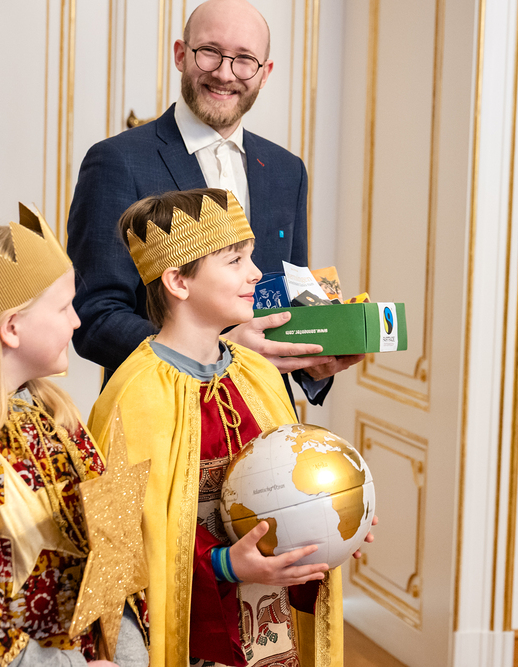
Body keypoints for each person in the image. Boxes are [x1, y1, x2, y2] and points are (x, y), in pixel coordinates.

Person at [88, 189, 370, 667]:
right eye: (235, 260)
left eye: (251, 256)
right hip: (196, 631)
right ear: (178, 281)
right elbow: (124, 542)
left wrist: (336, 518)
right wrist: (223, 564)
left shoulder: (256, 371)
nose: (256, 273)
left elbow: (287, 480)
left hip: (269, 623)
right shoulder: (135, 394)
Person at [66, 0, 361, 397]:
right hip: (160, 414)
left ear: (265, 73)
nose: (224, 73)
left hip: (267, 414)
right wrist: (217, 354)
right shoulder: (117, 161)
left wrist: (314, 363)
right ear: (180, 54)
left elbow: (288, 308)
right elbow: (95, 317)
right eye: (209, 52)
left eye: (245, 60)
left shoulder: (287, 170)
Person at [0, 207, 148, 666]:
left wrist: (128, 656)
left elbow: (114, 560)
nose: (77, 322)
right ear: (12, 328)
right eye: (63, 308)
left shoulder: (59, 421)